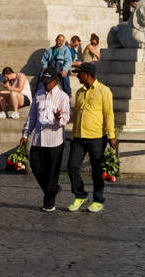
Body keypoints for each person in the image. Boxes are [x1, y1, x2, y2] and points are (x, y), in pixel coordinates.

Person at [66, 63, 116, 213]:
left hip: (96, 137)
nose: (77, 76)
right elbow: (76, 116)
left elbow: (109, 114)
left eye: (79, 73)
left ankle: (98, 199)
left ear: (87, 74)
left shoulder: (104, 91)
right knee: (72, 166)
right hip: (79, 137)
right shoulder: (79, 92)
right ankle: (80, 195)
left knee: (97, 170)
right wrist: (74, 134)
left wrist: (111, 135)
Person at [19, 70, 72, 211]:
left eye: (49, 82)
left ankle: (49, 203)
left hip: (54, 140)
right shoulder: (38, 95)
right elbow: (32, 117)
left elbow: (67, 119)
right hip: (38, 139)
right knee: (35, 167)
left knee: (52, 172)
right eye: (44, 82)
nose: (46, 85)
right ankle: (53, 189)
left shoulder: (63, 97)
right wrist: (25, 134)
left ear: (56, 80)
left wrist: (58, 117)